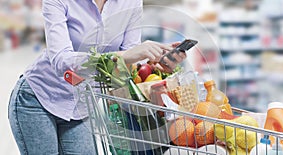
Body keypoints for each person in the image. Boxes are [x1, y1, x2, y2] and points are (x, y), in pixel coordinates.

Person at [8, 0, 186, 154]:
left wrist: (152, 66)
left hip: (81, 106)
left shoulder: (131, 3)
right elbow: (62, 61)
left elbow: (125, 67)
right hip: (38, 99)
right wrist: (125, 56)